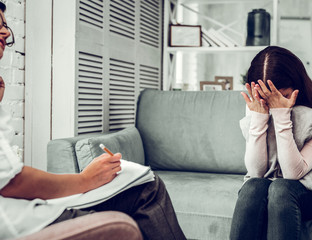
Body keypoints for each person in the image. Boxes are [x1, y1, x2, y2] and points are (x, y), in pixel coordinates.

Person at [0, 2, 185, 240]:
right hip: (19, 223)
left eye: (4, 25)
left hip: (20, 212)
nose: (5, 32)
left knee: (146, 186)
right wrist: (84, 180)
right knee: (148, 190)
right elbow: (10, 182)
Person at [229, 46, 312, 240]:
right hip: (275, 186)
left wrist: (281, 114)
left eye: (282, 95)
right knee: (252, 187)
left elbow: (294, 173)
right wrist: (259, 116)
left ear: (296, 84)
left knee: (281, 189)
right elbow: (256, 173)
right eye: (267, 99)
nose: (273, 102)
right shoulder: (258, 103)